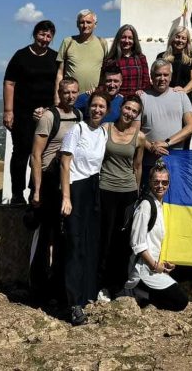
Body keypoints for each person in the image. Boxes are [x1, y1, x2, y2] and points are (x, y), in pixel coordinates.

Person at [29, 77, 82, 304]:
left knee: (62, 236)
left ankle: (59, 285)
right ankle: (38, 286)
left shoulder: (79, 116)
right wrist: (37, 190)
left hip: (67, 180)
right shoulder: (50, 117)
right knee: (45, 236)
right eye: (66, 92)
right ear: (59, 93)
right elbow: (36, 155)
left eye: (74, 92)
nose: (70, 96)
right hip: (49, 181)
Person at [60, 90, 110, 326]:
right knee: (74, 245)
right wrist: (66, 197)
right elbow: (65, 162)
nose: (98, 110)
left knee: (89, 244)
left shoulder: (102, 132)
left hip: (93, 188)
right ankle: (73, 303)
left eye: (102, 107)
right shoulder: (76, 130)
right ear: (88, 107)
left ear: (107, 111)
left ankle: (86, 294)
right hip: (76, 189)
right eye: (95, 105)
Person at [97, 96, 148, 299]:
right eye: (127, 108)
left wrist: (136, 193)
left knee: (122, 241)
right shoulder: (105, 129)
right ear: (121, 108)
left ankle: (117, 285)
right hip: (105, 189)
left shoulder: (140, 137)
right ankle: (100, 283)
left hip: (127, 192)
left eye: (134, 111)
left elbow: (138, 165)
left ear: (137, 115)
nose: (129, 113)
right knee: (104, 239)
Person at [3, 20, 58, 203]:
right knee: (21, 153)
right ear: (35, 34)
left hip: (47, 114)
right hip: (23, 113)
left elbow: (59, 84)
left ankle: (37, 192)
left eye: (49, 35)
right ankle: (17, 194)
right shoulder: (21, 56)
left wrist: (51, 110)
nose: (45, 39)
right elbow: (10, 83)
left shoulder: (55, 58)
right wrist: (8, 111)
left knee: (41, 155)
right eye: (42, 34)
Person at [123, 163, 189, 311]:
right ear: (150, 182)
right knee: (180, 301)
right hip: (143, 271)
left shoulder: (161, 206)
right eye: (156, 182)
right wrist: (155, 265)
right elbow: (137, 244)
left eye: (164, 182)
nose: (160, 186)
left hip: (155, 268)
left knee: (179, 298)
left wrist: (165, 263)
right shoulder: (146, 206)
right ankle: (136, 291)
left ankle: (145, 295)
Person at [139, 59, 192, 173]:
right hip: (148, 163)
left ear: (171, 76)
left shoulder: (181, 96)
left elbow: (191, 127)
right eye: (158, 75)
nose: (162, 78)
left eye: (165, 75)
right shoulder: (142, 97)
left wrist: (167, 143)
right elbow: (134, 131)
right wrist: (151, 147)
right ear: (151, 76)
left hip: (175, 162)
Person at [55, 9, 109, 101]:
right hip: (70, 98)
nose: (85, 25)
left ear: (95, 24)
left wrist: (100, 89)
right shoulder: (68, 42)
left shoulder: (102, 43)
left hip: (94, 98)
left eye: (88, 22)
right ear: (77, 24)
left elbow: (105, 72)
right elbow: (60, 73)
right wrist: (57, 98)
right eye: (82, 22)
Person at [104, 24, 151, 99]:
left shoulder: (141, 58)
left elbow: (146, 82)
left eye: (130, 38)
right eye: (123, 37)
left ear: (134, 40)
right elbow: (104, 84)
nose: (126, 41)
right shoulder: (110, 60)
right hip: (117, 101)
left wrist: (142, 91)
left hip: (136, 101)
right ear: (118, 39)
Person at [156, 25, 192, 102]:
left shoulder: (191, 58)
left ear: (187, 41)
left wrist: (182, 91)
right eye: (177, 37)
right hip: (166, 99)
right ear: (172, 38)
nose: (180, 40)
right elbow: (156, 78)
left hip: (186, 99)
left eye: (183, 38)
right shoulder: (161, 57)